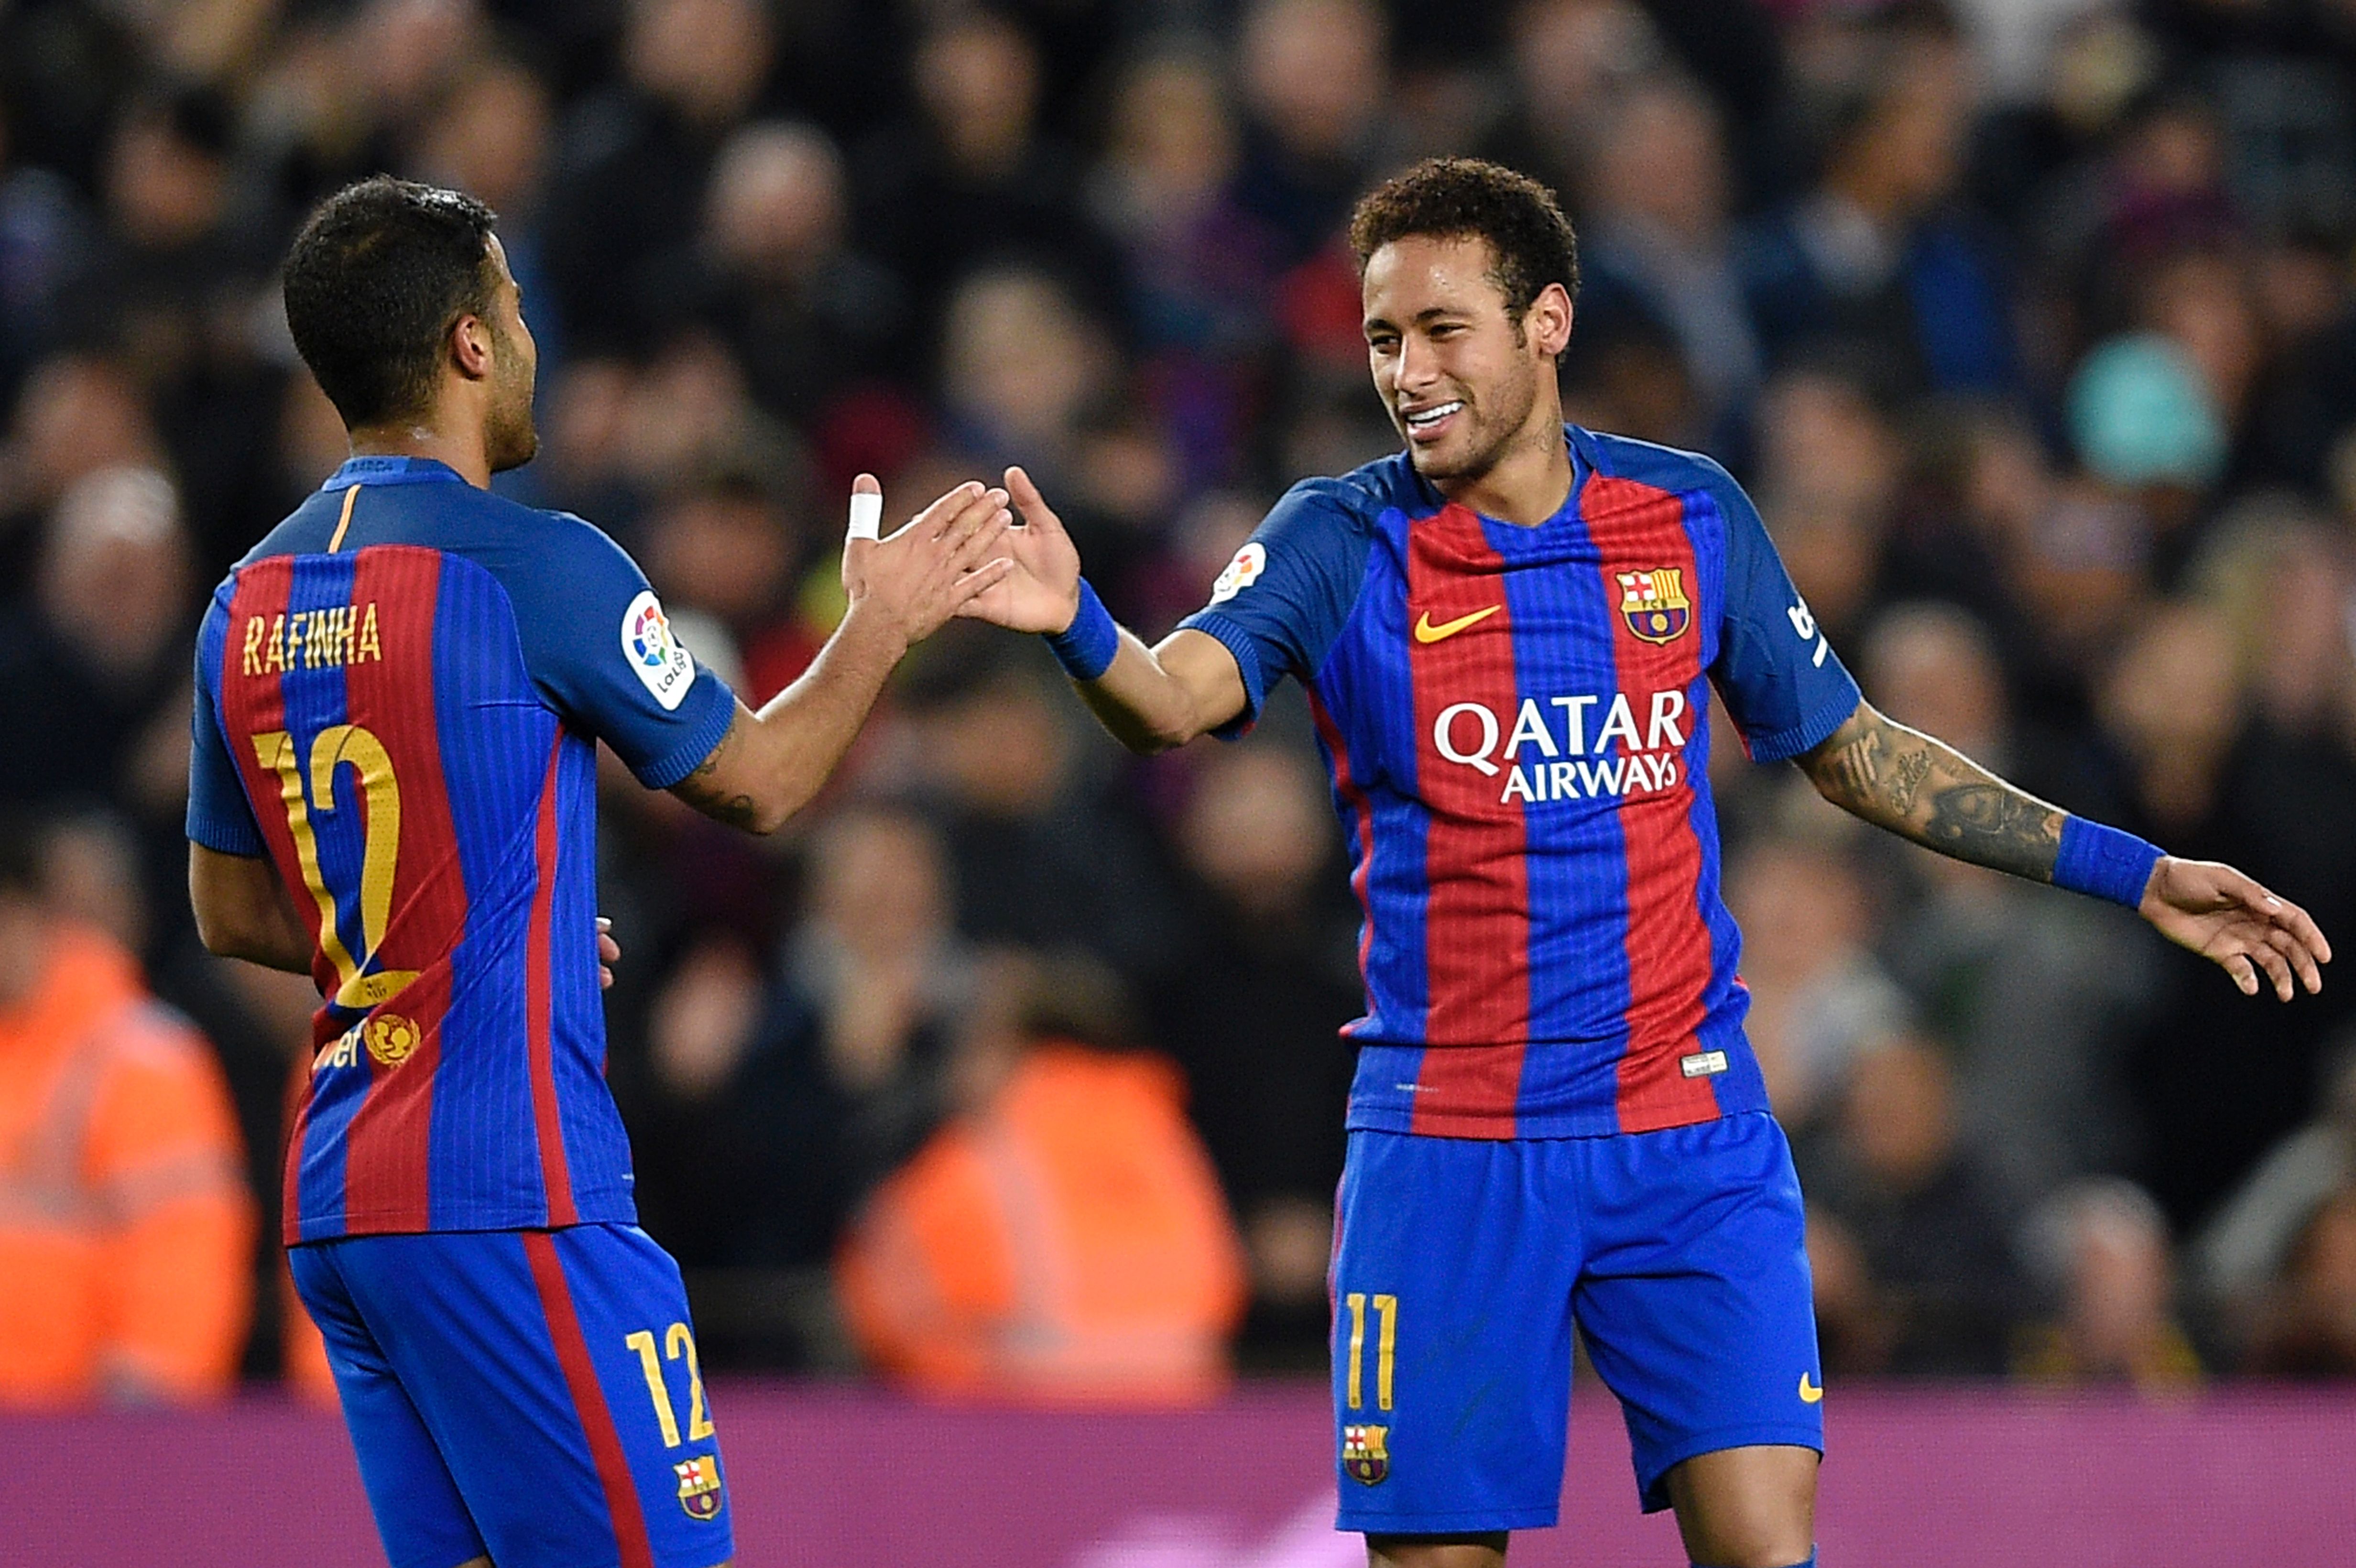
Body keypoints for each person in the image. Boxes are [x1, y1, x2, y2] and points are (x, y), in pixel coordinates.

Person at [958, 156, 2331, 1568]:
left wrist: (2135, 871)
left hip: (1684, 1133)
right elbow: (1173, 703)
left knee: (1763, 1541)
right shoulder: (1339, 536)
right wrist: (1081, 628)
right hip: (1448, 1144)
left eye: (1443, 333)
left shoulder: (1686, 516)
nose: (1406, 373)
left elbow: (1854, 749)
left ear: (1546, 322)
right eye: (1382, 340)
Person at [183, 177, 1009, 1568]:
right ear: (466, 345)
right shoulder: (539, 566)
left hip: (343, 1209)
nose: (533, 340)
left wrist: (494, 932)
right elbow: (759, 781)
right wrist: (881, 625)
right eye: (513, 308)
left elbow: (231, 908)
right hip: (511, 1189)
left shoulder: (243, 599)